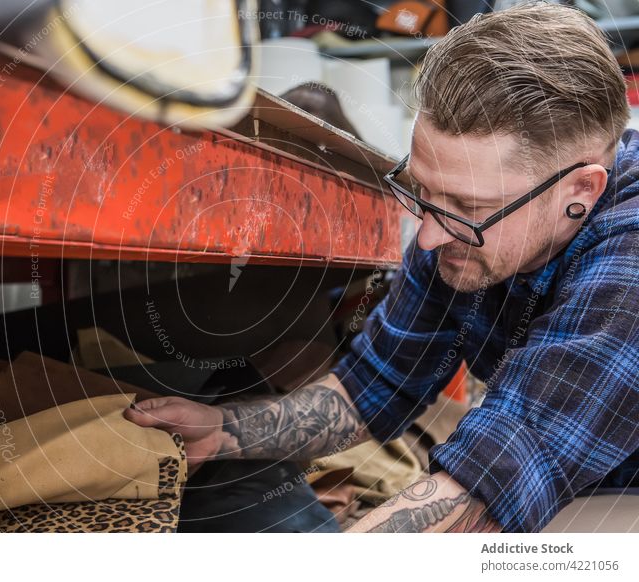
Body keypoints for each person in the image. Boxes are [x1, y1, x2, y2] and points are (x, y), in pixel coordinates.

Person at [125, 2, 639, 533]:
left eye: (470, 208)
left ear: (581, 191)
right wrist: (224, 429)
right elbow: (374, 384)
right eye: (424, 191)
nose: (430, 235)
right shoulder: (452, 230)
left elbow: (503, 470)